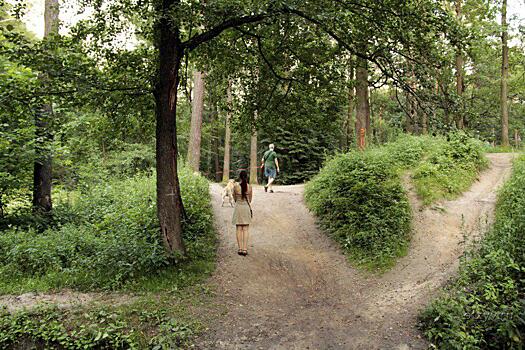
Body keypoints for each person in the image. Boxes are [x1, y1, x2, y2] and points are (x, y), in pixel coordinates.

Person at [232, 170, 253, 256]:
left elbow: (234, 198)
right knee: (246, 229)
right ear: (246, 177)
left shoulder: (236, 186)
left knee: (239, 229)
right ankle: (245, 249)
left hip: (238, 208)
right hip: (246, 208)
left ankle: (240, 248)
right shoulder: (250, 187)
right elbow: (250, 200)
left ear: (240, 177)